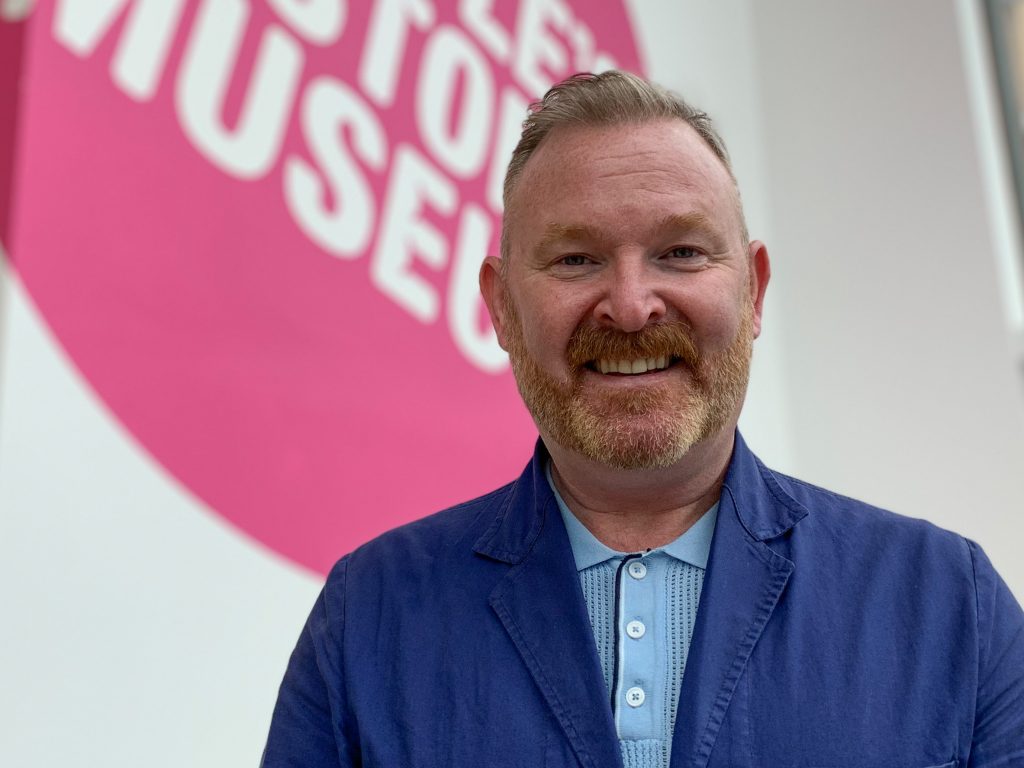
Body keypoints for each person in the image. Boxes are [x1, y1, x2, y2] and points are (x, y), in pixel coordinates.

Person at [262, 71, 1024, 768]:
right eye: (575, 260)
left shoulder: (951, 610)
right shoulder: (369, 618)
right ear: (501, 307)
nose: (630, 306)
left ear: (753, 292)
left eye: (682, 252)